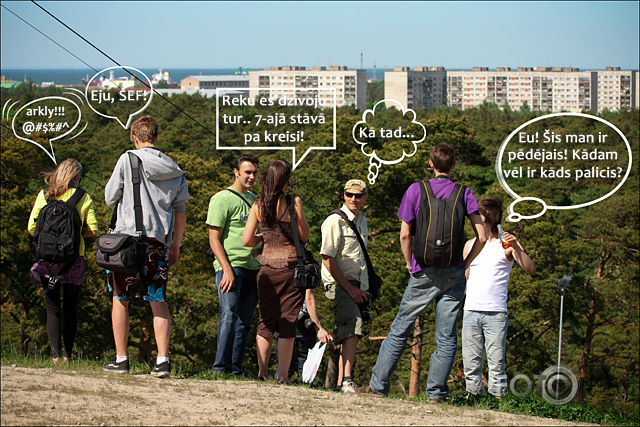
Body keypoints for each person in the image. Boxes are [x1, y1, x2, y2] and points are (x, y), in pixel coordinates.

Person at [357, 142, 486, 402]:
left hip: (422, 271)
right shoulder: (465, 193)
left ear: (430, 164)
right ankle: (436, 393)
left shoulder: (417, 190)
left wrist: (410, 264)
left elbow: (405, 234)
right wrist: (465, 263)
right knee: (446, 336)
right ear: (453, 166)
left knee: (400, 328)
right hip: (453, 273)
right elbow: (481, 236)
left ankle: (378, 385)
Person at [103, 115, 189, 377]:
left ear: (135, 136)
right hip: (158, 244)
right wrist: (175, 245)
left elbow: (109, 198)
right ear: (157, 137)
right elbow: (180, 210)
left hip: (127, 242)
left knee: (121, 296)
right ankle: (162, 360)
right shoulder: (174, 168)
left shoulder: (127, 159)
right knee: (157, 299)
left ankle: (121, 359)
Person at [462, 197, 535, 399]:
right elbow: (464, 276)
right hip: (471, 309)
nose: (474, 217)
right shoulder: (470, 244)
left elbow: (530, 269)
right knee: (470, 361)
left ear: (490, 217)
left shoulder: (507, 244)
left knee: (496, 363)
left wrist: (516, 247)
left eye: (479, 213)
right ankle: (473, 398)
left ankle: (498, 401)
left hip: (496, 312)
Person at [242, 159, 308, 384]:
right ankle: (282, 375)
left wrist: (264, 237)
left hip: (267, 269)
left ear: (266, 179)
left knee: (266, 321)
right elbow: (305, 235)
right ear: (287, 181)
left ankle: (262, 373)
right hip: (290, 269)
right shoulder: (294, 202)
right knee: (288, 321)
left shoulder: (258, 205)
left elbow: (247, 240)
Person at [28, 159, 98, 363]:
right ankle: (68, 355)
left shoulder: (45, 194)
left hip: (47, 261)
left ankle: (55, 356)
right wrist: (74, 234)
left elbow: (32, 228)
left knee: (52, 309)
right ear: (76, 177)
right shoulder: (82, 197)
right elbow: (93, 230)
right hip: (73, 260)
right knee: (70, 308)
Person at [207, 153, 261, 376]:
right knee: (228, 315)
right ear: (236, 172)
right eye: (247, 172)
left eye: (255, 173)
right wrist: (226, 269)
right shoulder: (222, 199)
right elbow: (213, 238)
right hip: (231, 267)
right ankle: (220, 368)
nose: (251, 177)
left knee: (244, 321)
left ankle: (235, 369)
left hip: (253, 268)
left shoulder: (255, 199)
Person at [320, 179, 370, 393]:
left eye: (358, 195)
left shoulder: (362, 221)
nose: (353, 199)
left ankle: (342, 382)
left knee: (349, 328)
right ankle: (347, 380)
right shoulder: (335, 221)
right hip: (341, 283)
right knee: (353, 326)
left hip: (358, 284)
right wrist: (349, 289)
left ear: (364, 198)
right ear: (343, 195)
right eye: (349, 194)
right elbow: (327, 257)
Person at [277, 290, 331, 382]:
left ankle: (281, 380)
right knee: (305, 363)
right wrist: (319, 328)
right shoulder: (306, 276)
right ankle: (303, 382)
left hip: (285, 318)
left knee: (283, 361)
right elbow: (309, 298)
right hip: (303, 320)